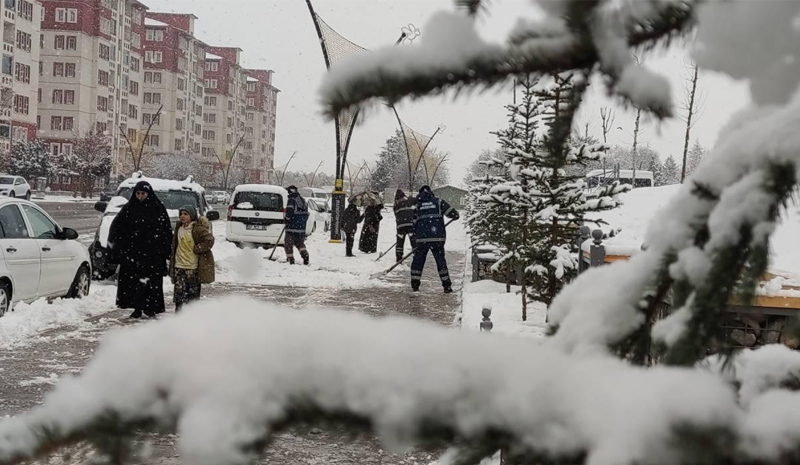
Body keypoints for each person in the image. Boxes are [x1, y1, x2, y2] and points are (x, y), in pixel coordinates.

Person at [108, 181, 173, 318]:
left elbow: (165, 231)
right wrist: (118, 245)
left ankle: (150, 308)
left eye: (143, 193)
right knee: (134, 282)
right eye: (138, 193)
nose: (140, 196)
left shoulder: (157, 208)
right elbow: (117, 226)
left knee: (151, 282)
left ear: (148, 194)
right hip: (133, 254)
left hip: (152, 254)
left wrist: (164, 250)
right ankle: (137, 307)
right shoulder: (130, 208)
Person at [411, 185, 460, 293]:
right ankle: (446, 285)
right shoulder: (438, 201)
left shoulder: (417, 205)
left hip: (421, 238)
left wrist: (417, 235)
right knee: (440, 260)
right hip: (437, 237)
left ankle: (415, 284)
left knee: (418, 260)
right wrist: (456, 215)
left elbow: (413, 223)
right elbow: (452, 213)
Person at [169, 205, 215, 312]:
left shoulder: (197, 229)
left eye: (185, 214)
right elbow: (175, 245)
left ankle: (192, 315)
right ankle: (178, 313)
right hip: (179, 265)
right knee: (179, 293)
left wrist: (198, 249)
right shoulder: (179, 228)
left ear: (192, 215)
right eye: (181, 214)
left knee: (192, 294)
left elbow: (209, 240)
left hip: (192, 267)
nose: (182, 216)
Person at [284, 185, 310, 265]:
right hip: (301, 227)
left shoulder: (291, 200)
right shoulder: (302, 200)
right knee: (299, 243)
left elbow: (289, 212)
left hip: (292, 227)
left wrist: (287, 219)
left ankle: (290, 258)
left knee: (288, 243)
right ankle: (305, 254)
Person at [393, 189, 416, 262]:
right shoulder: (411, 200)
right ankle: (416, 255)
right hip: (411, 224)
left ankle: (399, 257)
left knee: (400, 242)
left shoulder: (396, 204)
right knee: (413, 240)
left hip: (400, 225)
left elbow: (396, 216)